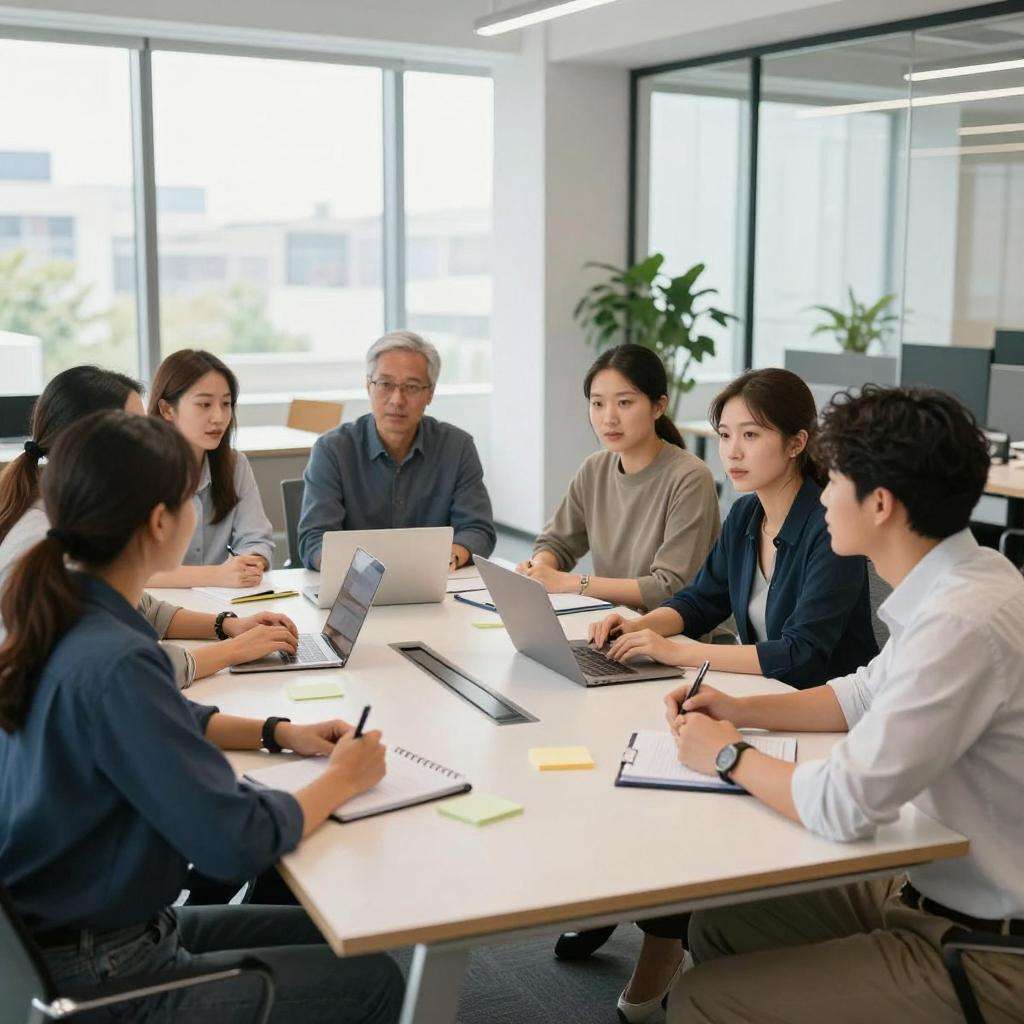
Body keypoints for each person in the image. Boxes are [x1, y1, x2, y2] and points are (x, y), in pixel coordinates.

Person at [0, 410, 403, 1023]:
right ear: (161, 521)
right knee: (373, 979)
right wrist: (343, 779)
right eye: (189, 500)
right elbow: (234, 841)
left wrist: (276, 732)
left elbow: (164, 717)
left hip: (73, 938)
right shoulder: (116, 659)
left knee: (322, 930)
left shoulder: (69, 613)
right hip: (107, 968)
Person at [662, 385, 1024, 1023]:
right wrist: (738, 709)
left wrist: (728, 755)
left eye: (835, 480)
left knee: (700, 1000)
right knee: (724, 922)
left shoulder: (962, 622)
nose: (822, 494)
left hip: (988, 951)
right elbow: (860, 692)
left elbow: (842, 804)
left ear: (880, 504)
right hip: (931, 890)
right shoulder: (971, 579)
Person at [563, 369, 879, 1007]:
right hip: (761, 706)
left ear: (795, 442)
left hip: (818, 720)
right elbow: (700, 598)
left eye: (751, 435)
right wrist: (640, 625)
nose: (731, 451)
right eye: (726, 434)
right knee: (634, 754)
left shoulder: (828, 525)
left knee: (677, 777)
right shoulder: (743, 516)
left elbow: (803, 655)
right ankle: (633, 903)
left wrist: (677, 651)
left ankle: (664, 940)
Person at [0, 366, 296, 688]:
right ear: (91, 441)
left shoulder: (77, 508)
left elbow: (138, 607)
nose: (149, 441)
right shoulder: (45, 538)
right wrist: (232, 651)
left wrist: (227, 626)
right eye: (136, 429)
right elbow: (120, 670)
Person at [516, 344, 720, 610]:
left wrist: (572, 583)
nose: (608, 418)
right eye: (597, 404)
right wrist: (541, 570)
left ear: (658, 406)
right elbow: (556, 542)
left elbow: (669, 586)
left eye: (624, 403)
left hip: (680, 640)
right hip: (613, 628)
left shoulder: (690, 477)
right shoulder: (594, 469)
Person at [297, 330, 495, 573]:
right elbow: (314, 539)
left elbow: (478, 530)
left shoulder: (457, 447)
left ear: (430, 393)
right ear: (368, 386)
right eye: (386, 384)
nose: (397, 400)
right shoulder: (333, 450)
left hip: (434, 585)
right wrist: (350, 569)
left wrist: (450, 557)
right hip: (353, 586)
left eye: (411, 387)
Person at [148, 349, 275, 589]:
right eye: (204, 404)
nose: (218, 417)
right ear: (167, 410)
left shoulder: (235, 465)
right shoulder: (137, 470)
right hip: (157, 614)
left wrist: (248, 564)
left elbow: (257, 540)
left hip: (223, 605)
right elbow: (135, 570)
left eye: (226, 404)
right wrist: (217, 575)